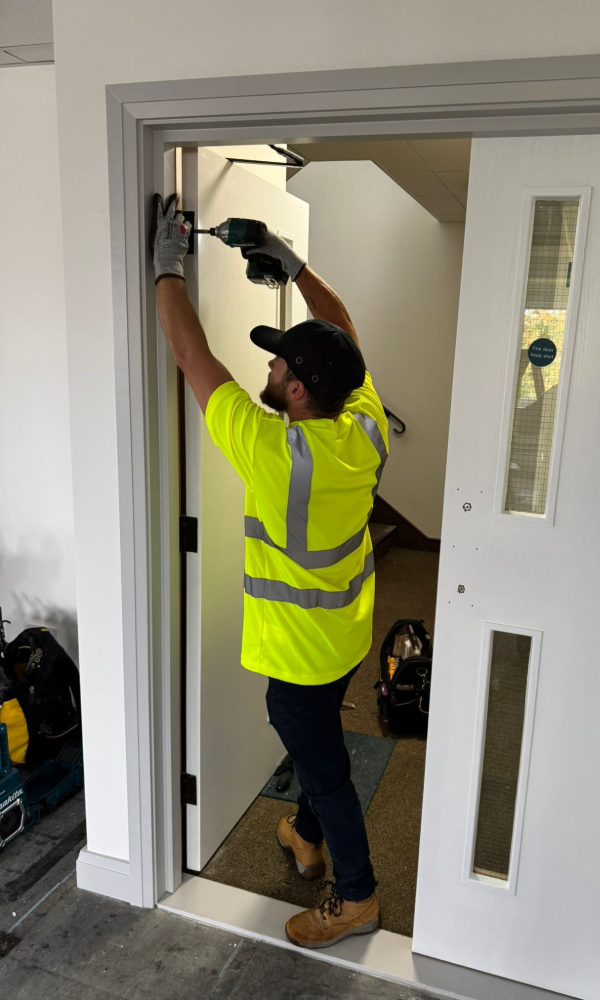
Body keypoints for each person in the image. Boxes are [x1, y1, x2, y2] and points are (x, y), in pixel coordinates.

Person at [152, 194, 388, 949]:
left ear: (295, 392)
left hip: (295, 660)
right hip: (345, 640)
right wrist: (294, 264)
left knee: (324, 769)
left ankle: (357, 899)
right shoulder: (363, 423)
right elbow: (344, 330)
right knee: (318, 752)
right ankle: (307, 842)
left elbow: (194, 359)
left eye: (278, 359)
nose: (268, 360)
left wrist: (165, 270)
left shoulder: (273, 453)